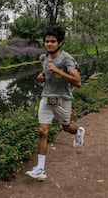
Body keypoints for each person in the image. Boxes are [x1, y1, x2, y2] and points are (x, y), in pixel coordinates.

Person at [25, 26, 85, 181]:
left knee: (66, 127)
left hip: (63, 99)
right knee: (43, 131)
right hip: (46, 98)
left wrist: (58, 71)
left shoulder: (67, 59)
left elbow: (78, 82)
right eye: (47, 41)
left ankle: (78, 132)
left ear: (60, 43)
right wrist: (41, 76)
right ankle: (40, 168)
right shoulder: (43, 58)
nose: (49, 44)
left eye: (53, 41)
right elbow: (46, 73)